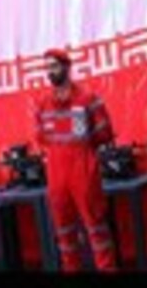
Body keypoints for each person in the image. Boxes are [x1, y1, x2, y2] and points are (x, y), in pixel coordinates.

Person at [34, 48, 117, 272]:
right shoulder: (42, 104)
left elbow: (104, 133)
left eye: (54, 66)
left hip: (83, 170)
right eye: (47, 68)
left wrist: (83, 148)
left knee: (96, 227)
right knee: (64, 232)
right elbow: (41, 137)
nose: (50, 72)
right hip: (56, 173)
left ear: (67, 67)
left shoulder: (88, 98)